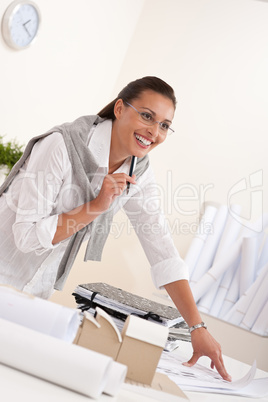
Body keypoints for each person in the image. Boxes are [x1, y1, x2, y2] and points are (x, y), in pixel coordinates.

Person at [0, 76, 231, 381]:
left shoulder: (138, 172)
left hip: (34, 298)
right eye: (147, 116)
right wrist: (95, 207)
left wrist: (197, 328)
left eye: (164, 125)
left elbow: (162, 250)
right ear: (120, 108)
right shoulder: (61, 145)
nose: (154, 132)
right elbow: (28, 237)